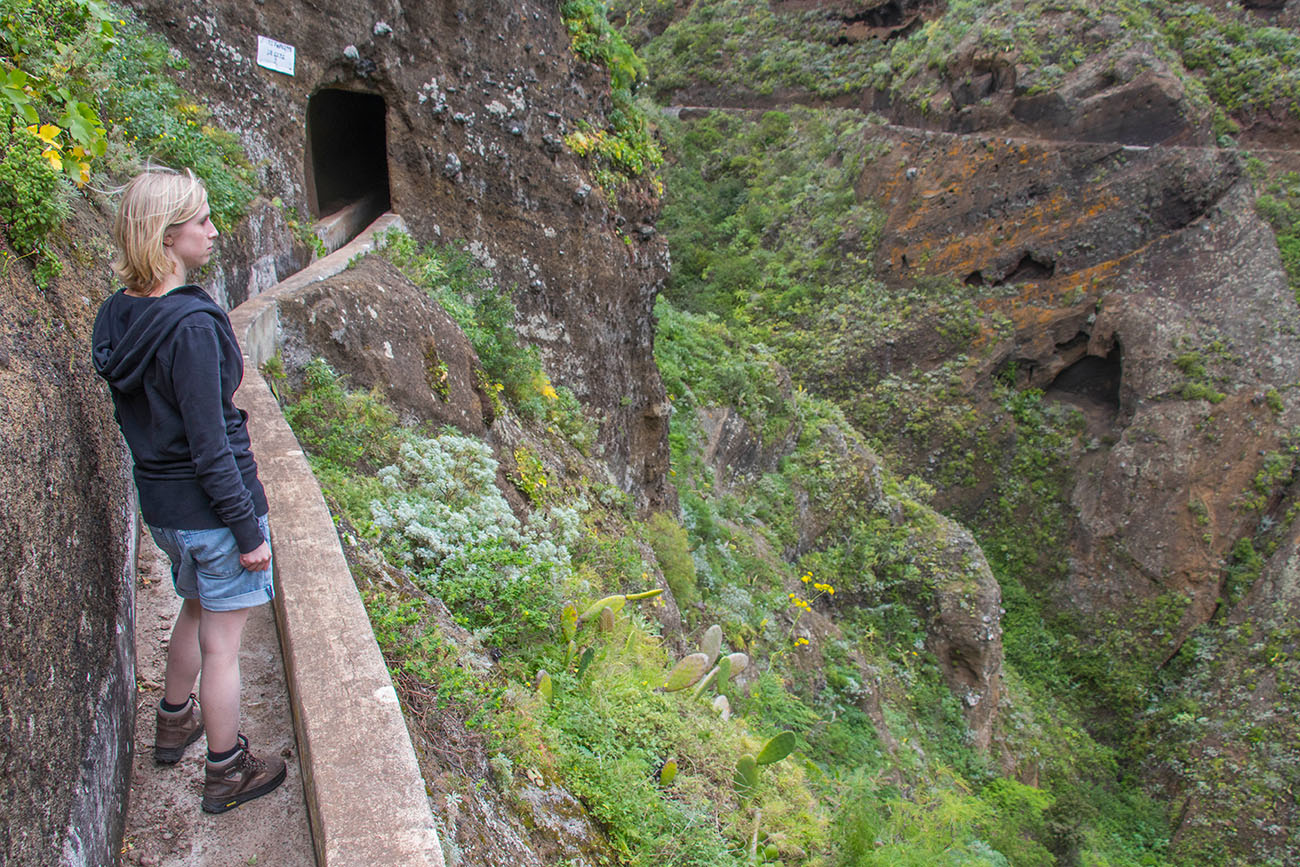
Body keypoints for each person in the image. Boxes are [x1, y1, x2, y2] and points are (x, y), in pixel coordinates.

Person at [91, 166, 286, 813]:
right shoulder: (192, 327)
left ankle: (174, 722)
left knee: (197, 608)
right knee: (223, 646)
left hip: (165, 510)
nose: (213, 230)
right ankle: (227, 770)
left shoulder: (118, 314)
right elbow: (211, 443)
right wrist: (248, 532)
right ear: (168, 235)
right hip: (211, 510)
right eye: (202, 220)